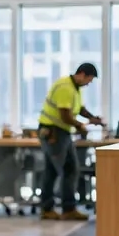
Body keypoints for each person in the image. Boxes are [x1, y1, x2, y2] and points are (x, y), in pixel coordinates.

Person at [37, 62, 104, 221]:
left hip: (60, 132)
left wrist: (92, 118)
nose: (89, 83)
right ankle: (67, 208)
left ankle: (49, 208)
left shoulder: (74, 88)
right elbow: (65, 115)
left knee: (53, 171)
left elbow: (79, 109)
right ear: (82, 74)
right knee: (69, 169)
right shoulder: (65, 88)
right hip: (53, 132)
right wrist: (80, 126)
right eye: (89, 79)